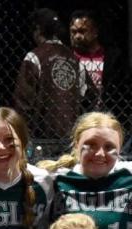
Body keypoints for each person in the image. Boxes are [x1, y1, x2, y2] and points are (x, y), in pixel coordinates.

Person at [13, 8, 92, 151]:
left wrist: (24, 135)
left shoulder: (35, 57)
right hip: (71, 138)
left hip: (41, 139)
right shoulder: (74, 60)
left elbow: (23, 101)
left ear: (38, 30)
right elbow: (89, 97)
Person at [68, 9, 132, 144]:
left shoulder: (113, 58)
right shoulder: (66, 59)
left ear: (95, 32)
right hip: (77, 119)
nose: (77, 36)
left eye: (82, 31)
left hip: (110, 118)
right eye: (73, 32)